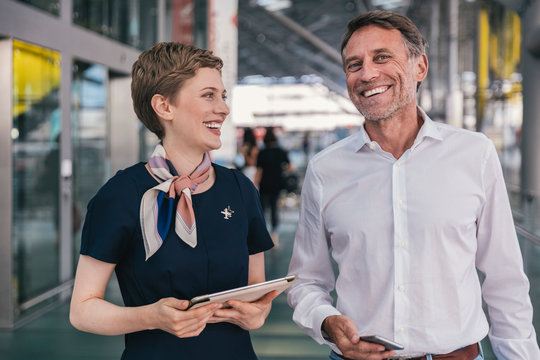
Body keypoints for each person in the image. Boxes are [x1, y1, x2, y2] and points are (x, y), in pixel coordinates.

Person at [287, 10, 540, 360]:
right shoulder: (325, 170)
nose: (367, 74)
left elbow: (505, 279)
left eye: (382, 57)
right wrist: (326, 321)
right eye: (354, 64)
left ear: (419, 67)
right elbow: (305, 281)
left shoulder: (473, 153)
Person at [69, 42, 278, 359]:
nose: (223, 108)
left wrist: (258, 314)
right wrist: (149, 316)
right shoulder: (120, 196)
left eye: (223, 96)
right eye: (208, 95)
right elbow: (82, 311)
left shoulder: (240, 190)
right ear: (164, 107)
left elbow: (256, 289)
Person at [254, 127, 291, 246]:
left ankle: (262, 236)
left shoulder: (262, 152)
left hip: (264, 184)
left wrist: (254, 185)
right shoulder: (281, 151)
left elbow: (258, 171)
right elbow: (290, 166)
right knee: (275, 209)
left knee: (263, 210)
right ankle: (275, 238)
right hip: (277, 184)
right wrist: (279, 169)